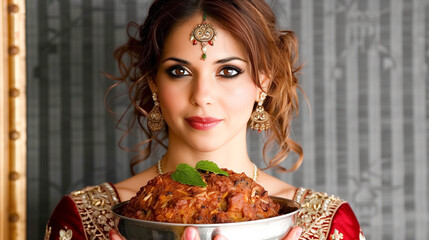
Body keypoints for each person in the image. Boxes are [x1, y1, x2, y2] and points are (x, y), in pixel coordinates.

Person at [44, 0, 365, 239]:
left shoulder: (325, 225)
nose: (202, 94)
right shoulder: (85, 220)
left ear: (263, 83)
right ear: (154, 82)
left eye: (228, 71)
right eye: (179, 71)